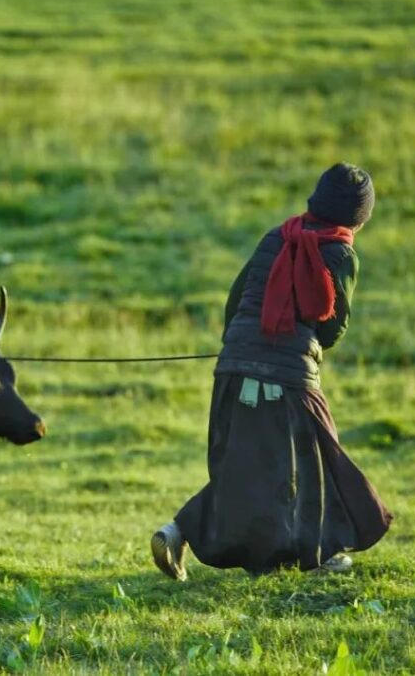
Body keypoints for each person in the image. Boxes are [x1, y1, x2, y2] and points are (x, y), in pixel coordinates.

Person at [152, 163, 392, 580]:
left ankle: (177, 531)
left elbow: (236, 298)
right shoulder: (340, 251)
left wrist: (240, 346)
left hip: (233, 367)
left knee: (246, 466)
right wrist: (302, 350)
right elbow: (332, 324)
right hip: (288, 375)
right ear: (359, 217)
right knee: (316, 459)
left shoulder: (276, 236)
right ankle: (321, 555)